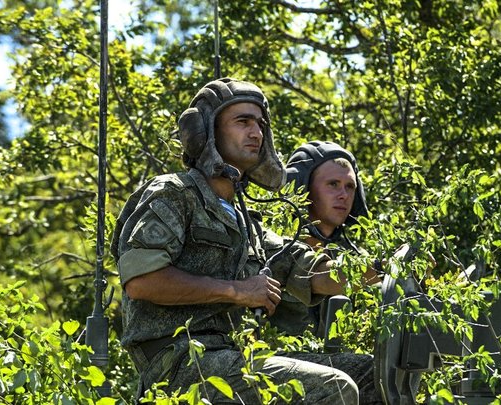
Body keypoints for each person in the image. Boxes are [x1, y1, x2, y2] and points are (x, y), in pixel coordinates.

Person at [111, 78, 378, 404]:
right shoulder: (173, 193)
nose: (256, 133)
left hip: (228, 358)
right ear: (207, 131)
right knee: (335, 387)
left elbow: (312, 272)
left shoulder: (243, 222)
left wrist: (382, 270)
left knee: (373, 375)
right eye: (243, 121)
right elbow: (142, 281)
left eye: (260, 124)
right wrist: (237, 291)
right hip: (177, 363)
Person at [268, 141, 373, 337]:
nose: (344, 195)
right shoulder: (274, 245)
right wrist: (390, 268)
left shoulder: (355, 257)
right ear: (303, 188)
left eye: (350, 187)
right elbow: (325, 277)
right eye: (333, 184)